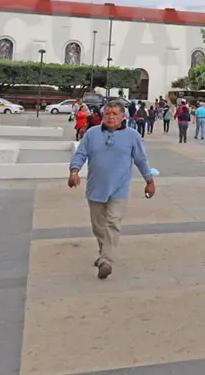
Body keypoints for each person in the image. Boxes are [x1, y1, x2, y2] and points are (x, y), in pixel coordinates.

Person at [68, 100, 155, 279]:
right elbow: (81, 154)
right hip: (95, 189)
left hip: (119, 190)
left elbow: (141, 160)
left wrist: (149, 180)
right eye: (107, 113)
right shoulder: (92, 134)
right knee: (99, 228)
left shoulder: (132, 136)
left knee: (113, 224)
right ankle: (103, 253)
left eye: (115, 114)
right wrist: (74, 171)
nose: (111, 117)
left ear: (123, 116)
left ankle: (106, 261)